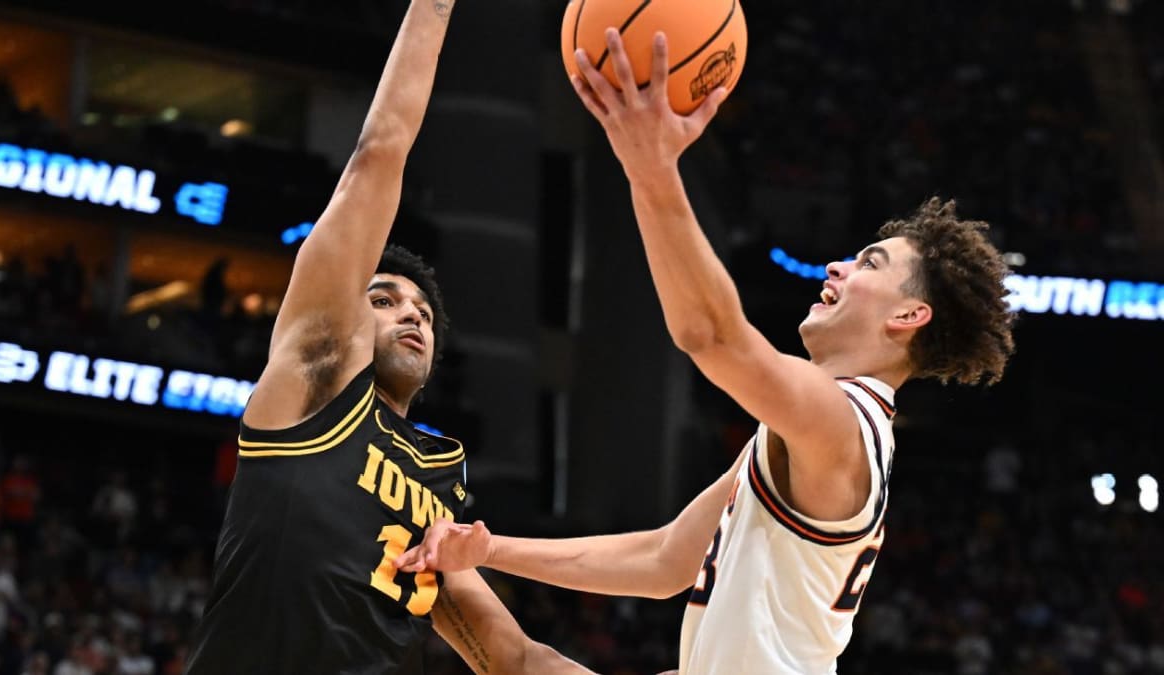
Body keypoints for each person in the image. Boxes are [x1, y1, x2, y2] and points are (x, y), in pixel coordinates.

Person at [396, 29, 1017, 674]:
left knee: (517, 661)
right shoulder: (806, 434)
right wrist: (489, 551)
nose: (836, 266)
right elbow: (664, 561)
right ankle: (392, 521)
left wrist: (651, 167)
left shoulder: (838, 426)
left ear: (909, 315)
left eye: (869, 263)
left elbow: (713, 336)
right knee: (515, 659)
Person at [184, 2, 589, 673]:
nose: (413, 315)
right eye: (385, 299)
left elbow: (515, 656)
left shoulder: (439, 485)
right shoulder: (314, 383)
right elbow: (378, 155)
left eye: (425, 313)